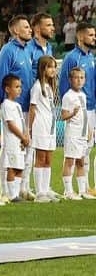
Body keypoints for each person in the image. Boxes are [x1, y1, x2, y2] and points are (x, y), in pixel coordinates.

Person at [0, 15, 35, 201]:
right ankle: (5, 190)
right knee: (7, 148)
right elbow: (2, 76)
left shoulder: (28, 51)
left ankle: (20, 189)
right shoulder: (8, 50)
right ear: (16, 30)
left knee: (23, 148)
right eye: (26, 27)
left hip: (24, 104)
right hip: (10, 105)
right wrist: (2, 102)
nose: (30, 30)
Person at [58, 21, 96, 199]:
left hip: (91, 107)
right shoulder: (72, 58)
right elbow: (65, 84)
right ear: (80, 36)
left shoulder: (91, 57)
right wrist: (69, 105)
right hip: (79, 109)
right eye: (90, 35)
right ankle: (72, 189)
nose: (94, 38)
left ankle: (85, 188)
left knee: (86, 149)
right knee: (76, 152)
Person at [28, 55, 59, 203]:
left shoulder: (49, 87)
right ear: (43, 69)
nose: (53, 70)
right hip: (40, 126)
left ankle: (46, 189)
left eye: (54, 67)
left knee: (48, 159)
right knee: (40, 158)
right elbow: (33, 108)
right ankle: (40, 192)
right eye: (50, 67)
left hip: (50, 127)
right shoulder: (37, 87)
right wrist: (30, 129)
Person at [61, 67, 90, 200]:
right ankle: (68, 191)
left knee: (81, 161)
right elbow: (63, 115)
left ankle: (82, 190)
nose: (79, 80)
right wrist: (73, 113)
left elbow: (85, 114)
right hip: (73, 133)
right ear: (71, 80)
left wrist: (89, 129)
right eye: (76, 77)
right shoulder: (68, 96)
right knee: (70, 161)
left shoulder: (83, 95)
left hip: (82, 134)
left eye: (82, 78)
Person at [0, 75, 29, 202]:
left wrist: (25, 136)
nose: (19, 90)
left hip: (20, 141)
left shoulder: (17, 105)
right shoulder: (6, 105)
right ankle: (11, 195)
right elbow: (11, 124)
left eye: (20, 87)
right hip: (12, 141)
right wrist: (22, 136)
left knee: (19, 167)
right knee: (12, 167)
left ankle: (16, 193)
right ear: (7, 89)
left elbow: (21, 123)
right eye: (16, 87)